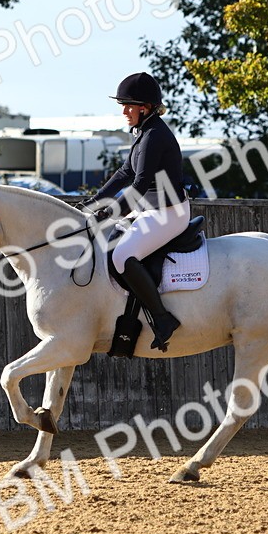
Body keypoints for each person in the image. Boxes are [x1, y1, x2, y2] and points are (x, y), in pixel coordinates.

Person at [85, 72, 190, 351]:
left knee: (122, 256)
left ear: (145, 108)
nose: (123, 111)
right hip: (150, 209)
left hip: (169, 212)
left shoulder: (154, 135)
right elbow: (125, 172)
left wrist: (110, 213)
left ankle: (163, 318)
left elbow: (141, 183)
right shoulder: (144, 132)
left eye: (128, 105)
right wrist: (93, 202)